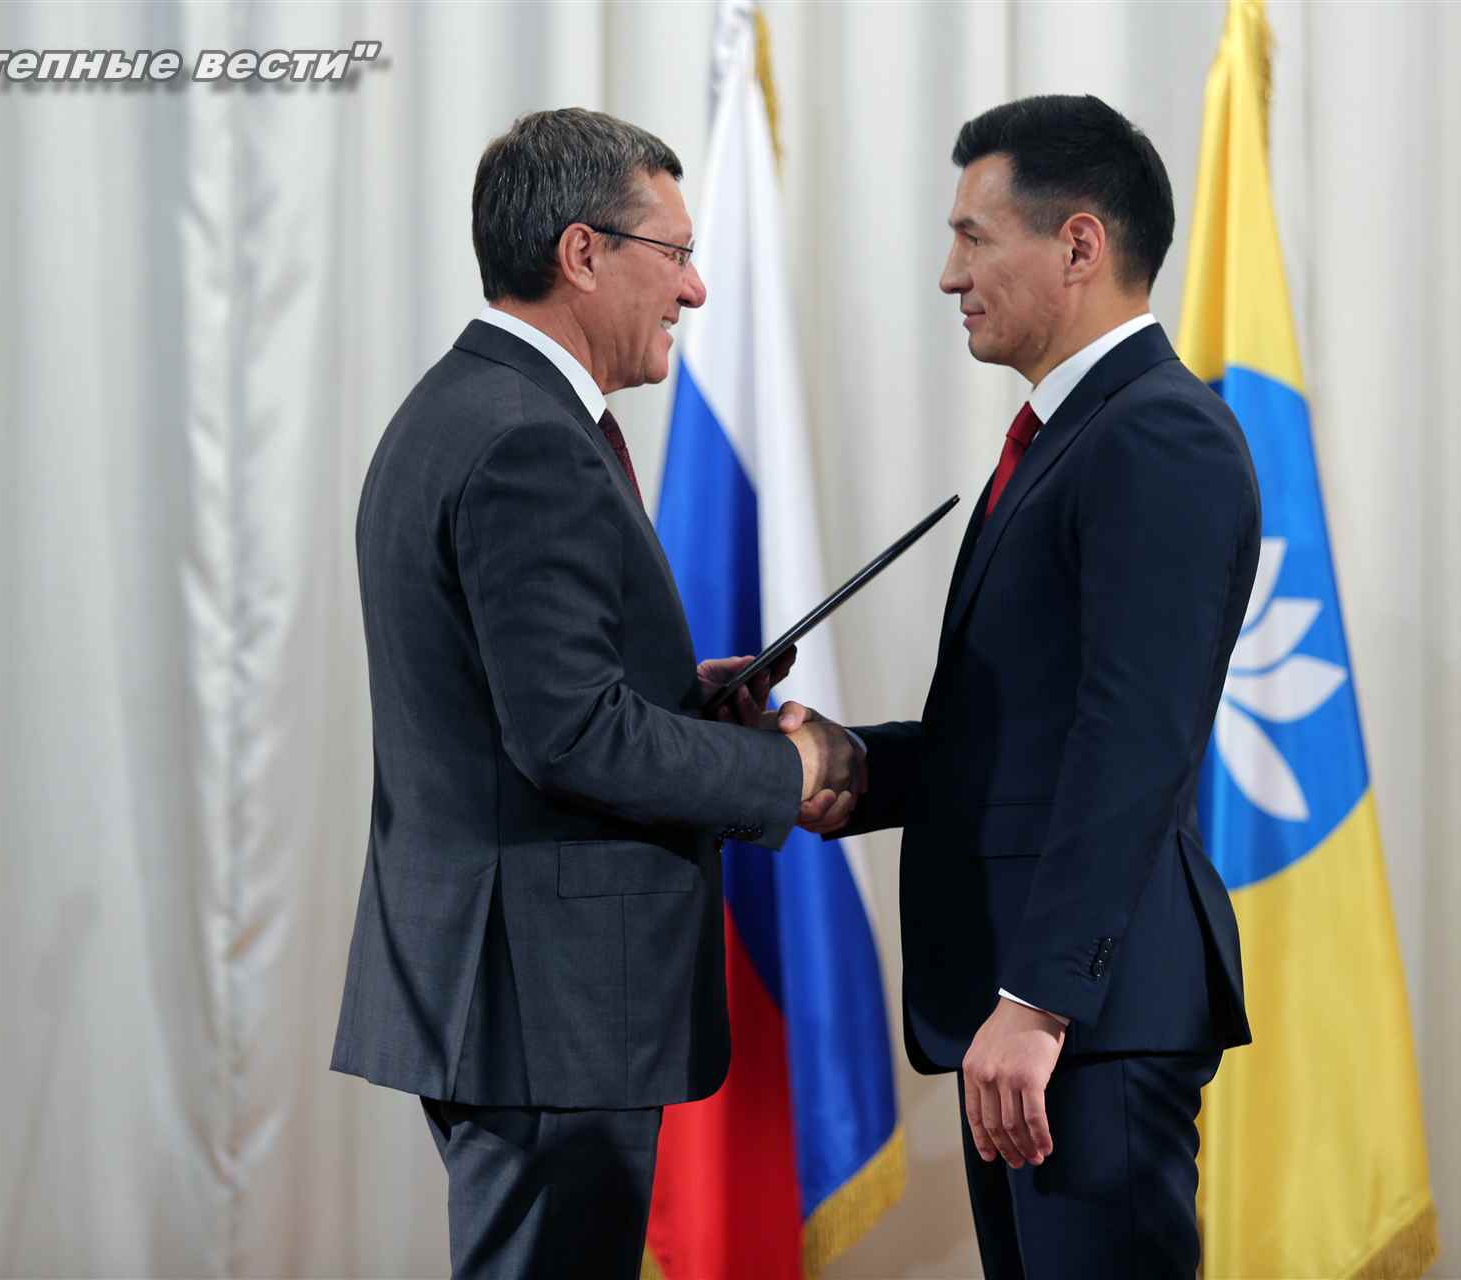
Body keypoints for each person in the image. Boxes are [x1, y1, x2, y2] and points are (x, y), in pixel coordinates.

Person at [330, 108, 862, 1278]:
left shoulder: (464, 406)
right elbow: (570, 733)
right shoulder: (529, 439)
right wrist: (786, 767)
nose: (696, 289)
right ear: (582, 252)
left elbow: (515, 692)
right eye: (675, 254)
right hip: (549, 1003)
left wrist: (673, 691)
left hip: (512, 990)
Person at [797, 94, 1259, 1277]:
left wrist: (1042, 999)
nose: (949, 274)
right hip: (1030, 1014)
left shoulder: (1159, 433)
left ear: (1079, 244)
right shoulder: (1066, 436)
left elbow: (1132, 740)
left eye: (973, 235)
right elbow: (1021, 737)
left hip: (1080, 1019)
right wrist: (845, 760)